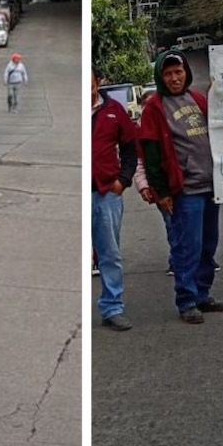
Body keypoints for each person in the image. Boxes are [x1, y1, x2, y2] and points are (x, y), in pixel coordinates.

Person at [139, 49, 223, 324]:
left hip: (210, 186)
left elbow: (220, 121)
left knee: (207, 245)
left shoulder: (197, 99)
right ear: (160, 77)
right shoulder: (155, 108)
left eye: (178, 72)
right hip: (185, 190)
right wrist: (161, 193)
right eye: (168, 74)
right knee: (187, 246)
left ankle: (203, 294)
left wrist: (218, 95)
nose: (174, 78)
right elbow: (151, 154)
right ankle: (187, 300)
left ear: (186, 73)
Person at [91, 68, 137, 331]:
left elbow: (131, 146)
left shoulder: (114, 110)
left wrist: (123, 180)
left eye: (90, 81)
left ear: (98, 83)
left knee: (110, 254)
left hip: (106, 193)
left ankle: (112, 307)